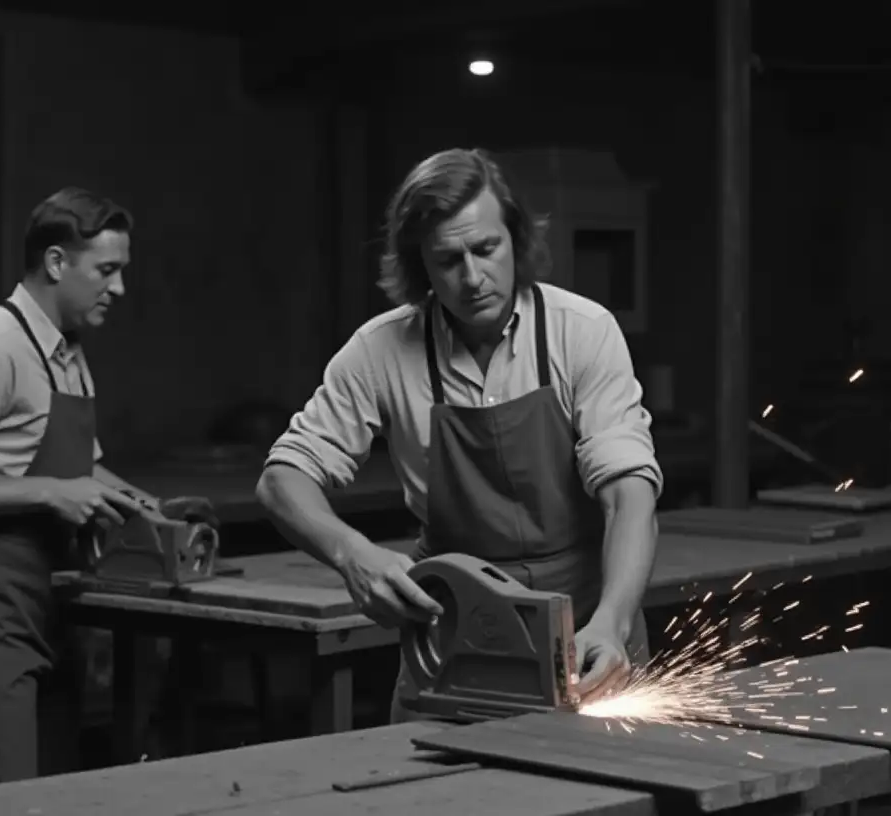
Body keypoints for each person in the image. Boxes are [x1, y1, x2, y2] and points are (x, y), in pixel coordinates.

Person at [256, 148, 663, 715]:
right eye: (448, 260)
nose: (472, 278)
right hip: (455, 630)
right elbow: (281, 481)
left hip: (590, 625)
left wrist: (613, 623)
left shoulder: (584, 333)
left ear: (515, 238)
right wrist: (353, 555)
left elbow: (628, 496)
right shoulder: (380, 350)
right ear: (419, 264)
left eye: (486, 249)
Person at [0, 187, 156, 789]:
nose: (117, 289)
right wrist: (50, 494)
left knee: (51, 793)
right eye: (107, 271)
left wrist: (145, 507)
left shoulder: (66, 351)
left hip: (41, 597)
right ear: (57, 262)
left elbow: (77, 468)